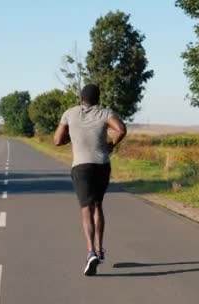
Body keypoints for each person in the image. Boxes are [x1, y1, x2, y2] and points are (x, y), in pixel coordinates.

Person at [53, 84, 127, 276]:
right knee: (98, 205)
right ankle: (100, 249)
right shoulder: (104, 112)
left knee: (86, 208)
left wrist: (74, 135)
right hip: (102, 164)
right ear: (98, 98)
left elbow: (57, 141)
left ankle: (90, 252)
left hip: (81, 166)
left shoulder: (69, 113)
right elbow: (121, 129)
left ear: (81, 98)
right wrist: (111, 145)